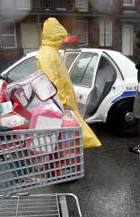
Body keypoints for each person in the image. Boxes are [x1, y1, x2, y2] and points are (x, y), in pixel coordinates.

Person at [36, 17, 101, 148]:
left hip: (61, 105)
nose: (62, 41)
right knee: (72, 139)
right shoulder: (48, 54)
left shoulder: (50, 52)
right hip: (61, 106)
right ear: (54, 36)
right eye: (60, 37)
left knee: (69, 141)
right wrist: (65, 103)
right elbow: (53, 83)